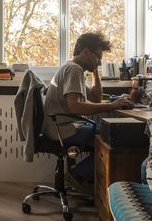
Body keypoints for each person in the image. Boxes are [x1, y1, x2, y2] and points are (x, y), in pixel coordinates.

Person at [42, 32, 133, 194]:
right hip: (63, 130)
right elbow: (75, 107)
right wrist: (111, 106)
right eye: (98, 56)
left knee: (107, 136)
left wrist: (95, 70)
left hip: (61, 126)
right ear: (85, 51)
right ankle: (78, 175)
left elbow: (96, 98)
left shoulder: (74, 69)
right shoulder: (74, 70)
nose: (100, 60)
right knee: (113, 138)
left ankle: (84, 178)